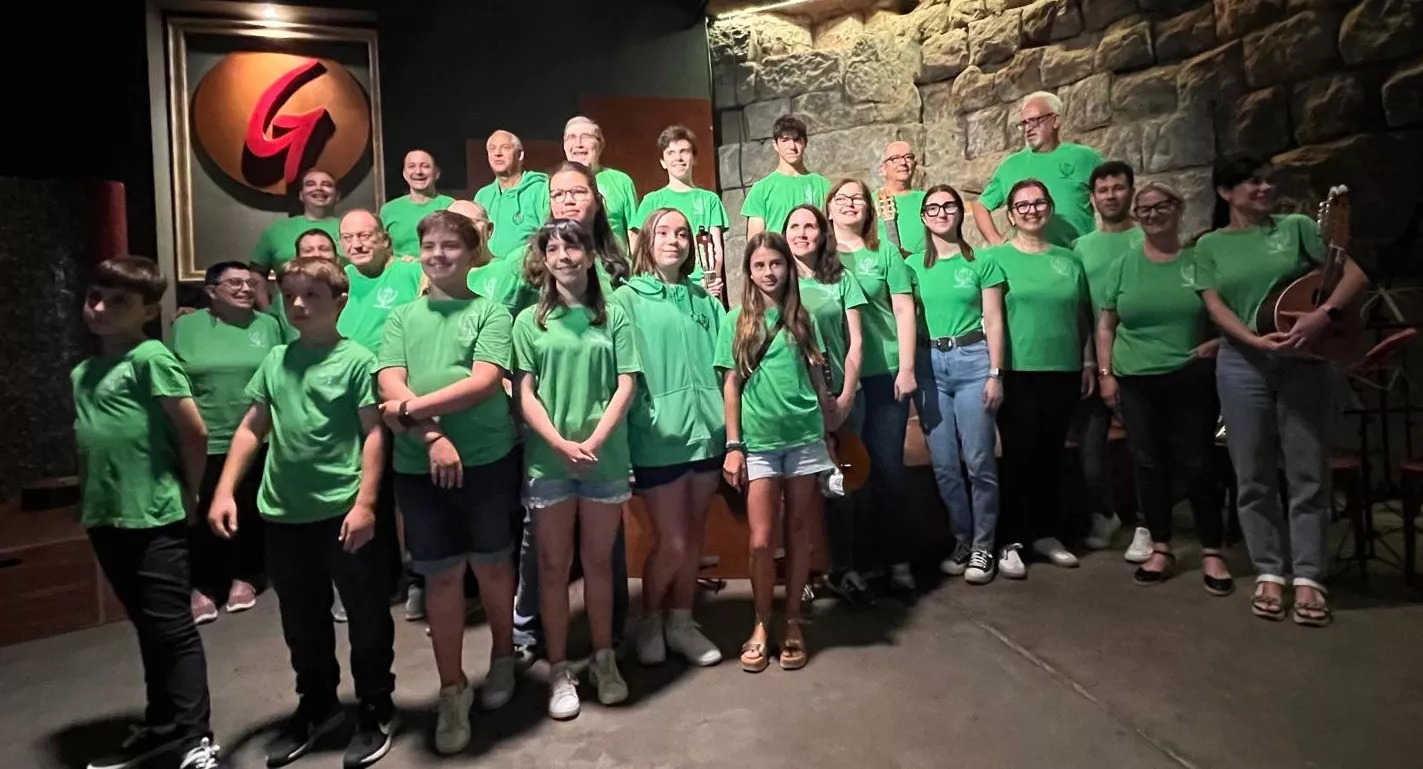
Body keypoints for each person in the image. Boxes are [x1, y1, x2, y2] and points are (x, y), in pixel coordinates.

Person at [208, 257, 398, 767]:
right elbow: (252, 427)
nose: (298, 304)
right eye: (291, 294)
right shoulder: (276, 361)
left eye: (312, 295)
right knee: (301, 619)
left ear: (339, 301)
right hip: (284, 511)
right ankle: (317, 705)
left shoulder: (358, 360)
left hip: (342, 510)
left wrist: (366, 504)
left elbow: (374, 433)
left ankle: (375, 705)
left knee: (365, 615)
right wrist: (225, 490)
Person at [1194, 153, 1368, 627]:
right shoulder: (1208, 245)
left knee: (1308, 469)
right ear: (1226, 192)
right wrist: (1249, 338)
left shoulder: (1295, 227)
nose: (1264, 189)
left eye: (1268, 181)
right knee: (1252, 473)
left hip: (1303, 361)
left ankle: (1310, 576)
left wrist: (1323, 315)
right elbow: (1214, 305)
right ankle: (1270, 569)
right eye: (1252, 182)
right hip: (1241, 364)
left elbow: (1351, 274)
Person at [73, 257, 227, 769]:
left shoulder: (151, 357)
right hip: (107, 514)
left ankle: (195, 737)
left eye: (118, 301)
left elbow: (193, 431)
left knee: (173, 626)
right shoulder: (83, 372)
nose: (100, 308)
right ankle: (162, 722)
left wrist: (190, 491)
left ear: (147, 311)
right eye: (95, 296)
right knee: (146, 623)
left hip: (155, 512)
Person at [375, 210, 519, 753]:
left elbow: (483, 382)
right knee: (439, 578)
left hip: (486, 459)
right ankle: (452, 689)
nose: (438, 255)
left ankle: (503, 659)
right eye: (429, 246)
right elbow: (390, 377)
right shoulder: (402, 318)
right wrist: (432, 436)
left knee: (492, 565)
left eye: (449, 246)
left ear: (472, 251)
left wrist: (409, 409)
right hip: (419, 464)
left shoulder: (490, 312)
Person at [513, 219, 641, 719]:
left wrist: (592, 440)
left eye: (573, 247)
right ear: (544, 259)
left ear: (589, 255)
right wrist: (559, 442)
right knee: (551, 567)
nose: (564, 256)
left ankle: (605, 659)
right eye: (554, 249)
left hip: (603, 457)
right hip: (549, 462)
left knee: (599, 565)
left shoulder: (613, 316)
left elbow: (627, 383)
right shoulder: (530, 322)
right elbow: (523, 392)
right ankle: (560, 669)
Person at [1096, 182, 1227, 591]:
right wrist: (1105, 374)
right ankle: (1161, 546)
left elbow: (1229, 311)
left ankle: (1212, 552)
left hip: (1189, 373)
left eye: (1161, 206)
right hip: (1135, 377)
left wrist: (1220, 342)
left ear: (1178, 208)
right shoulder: (1123, 265)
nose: (1153, 215)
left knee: (1198, 462)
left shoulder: (1199, 259)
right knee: (1147, 463)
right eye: (1145, 210)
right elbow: (1105, 324)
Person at [717, 232, 835, 672]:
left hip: (803, 437)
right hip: (759, 441)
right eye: (760, 265)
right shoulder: (737, 321)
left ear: (788, 267)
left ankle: (791, 621)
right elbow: (731, 383)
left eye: (776, 264)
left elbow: (818, 378)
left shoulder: (804, 318)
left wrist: (827, 429)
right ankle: (761, 620)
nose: (769, 273)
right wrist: (734, 445)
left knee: (800, 535)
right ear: (749, 271)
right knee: (762, 540)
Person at [614, 208, 726, 668]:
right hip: (658, 436)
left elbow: (725, 366)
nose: (674, 241)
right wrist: (645, 416)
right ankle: (649, 619)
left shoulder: (705, 300)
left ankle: (681, 622)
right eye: (664, 232)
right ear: (646, 240)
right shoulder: (626, 299)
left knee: (695, 537)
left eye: (682, 234)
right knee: (673, 540)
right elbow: (622, 367)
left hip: (709, 435)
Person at [984, 179, 1094, 578]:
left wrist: (1086, 363)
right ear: (1010, 214)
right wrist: (994, 373)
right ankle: (1011, 539)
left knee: (1052, 454)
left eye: (1038, 202)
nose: (1031, 210)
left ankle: (1046, 534)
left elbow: (1082, 317)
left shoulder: (1070, 260)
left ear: (1049, 208)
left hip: (1062, 369)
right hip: (1018, 370)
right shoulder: (996, 258)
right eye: (1022, 205)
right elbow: (991, 319)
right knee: (1018, 456)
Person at [172, 262, 283, 624]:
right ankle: (203, 585)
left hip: (257, 433)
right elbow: (171, 377)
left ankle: (246, 576)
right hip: (204, 435)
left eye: (250, 282)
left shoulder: (268, 325)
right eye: (234, 283)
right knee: (201, 510)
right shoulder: (185, 326)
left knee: (249, 509)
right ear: (210, 291)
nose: (245, 289)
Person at [907, 185, 1006, 585]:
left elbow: (995, 320)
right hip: (929, 363)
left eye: (948, 205)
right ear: (924, 216)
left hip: (972, 359)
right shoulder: (911, 265)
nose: (941, 212)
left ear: (960, 213)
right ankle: (963, 538)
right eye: (933, 207)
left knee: (979, 460)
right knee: (945, 464)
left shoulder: (982, 261)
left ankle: (985, 545)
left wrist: (996, 373)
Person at [825, 178, 918, 591]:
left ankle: (898, 559)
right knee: (850, 473)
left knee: (888, 468)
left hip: (884, 373)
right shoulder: (818, 256)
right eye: (841, 199)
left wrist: (908, 367)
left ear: (869, 210)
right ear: (828, 209)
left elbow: (903, 308)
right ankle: (859, 563)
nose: (850, 205)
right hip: (842, 380)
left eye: (857, 200)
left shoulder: (885, 254)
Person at [784, 204, 871, 605]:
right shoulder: (777, 278)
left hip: (841, 395)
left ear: (823, 233)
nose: (802, 233)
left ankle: (843, 568)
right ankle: (802, 571)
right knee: (799, 490)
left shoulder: (842, 279)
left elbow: (855, 341)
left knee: (843, 486)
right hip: (795, 399)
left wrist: (847, 394)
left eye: (810, 226)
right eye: (794, 226)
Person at [1071, 161, 1143, 558]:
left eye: (1118, 187)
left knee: (1145, 445)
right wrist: (1088, 364)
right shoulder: (1083, 247)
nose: (1111, 195)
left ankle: (1149, 523)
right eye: (1103, 190)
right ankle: (1104, 512)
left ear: (1130, 191)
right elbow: (1082, 310)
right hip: (1098, 360)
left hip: (1140, 358)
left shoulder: (1145, 237)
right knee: (1091, 451)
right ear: (1093, 198)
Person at [971, 92, 1104, 248]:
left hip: (1079, 256)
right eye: (1025, 123)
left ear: (1056, 120)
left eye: (1035, 120)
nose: (1028, 128)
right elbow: (981, 206)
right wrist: (998, 243)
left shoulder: (1085, 158)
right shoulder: (1010, 166)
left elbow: (1115, 192)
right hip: (1030, 262)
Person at [629, 125, 729, 295]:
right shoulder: (652, 200)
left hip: (701, 284)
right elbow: (638, 244)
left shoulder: (709, 199)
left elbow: (716, 247)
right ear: (663, 162)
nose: (678, 158)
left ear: (694, 158)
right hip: (663, 284)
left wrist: (712, 279)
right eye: (671, 152)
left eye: (684, 151)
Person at [336, 210, 426, 356]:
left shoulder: (416, 273)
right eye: (347, 238)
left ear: (385, 240)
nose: (356, 244)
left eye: (364, 236)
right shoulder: (340, 278)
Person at [251, 169, 343, 308]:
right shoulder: (277, 231)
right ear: (301, 195)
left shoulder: (352, 227)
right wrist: (268, 313)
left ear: (337, 196)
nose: (318, 188)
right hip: (290, 315)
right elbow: (256, 275)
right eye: (310, 184)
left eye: (327, 184)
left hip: (343, 312)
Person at [743, 115, 830, 237]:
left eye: (797, 140)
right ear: (775, 145)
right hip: (777, 254)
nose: (792, 147)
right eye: (785, 140)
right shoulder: (760, 189)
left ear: (805, 143)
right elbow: (755, 241)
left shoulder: (822, 185)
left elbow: (830, 231)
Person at [564, 116, 639, 251]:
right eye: (571, 137)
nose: (578, 143)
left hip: (615, 269)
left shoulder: (621, 181)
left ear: (600, 145)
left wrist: (637, 271)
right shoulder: (553, 185)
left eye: (586, 136)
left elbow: (634, 235)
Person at [474, 130, 551, 259]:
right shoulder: (482, 196)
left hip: (528, 272)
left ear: (519, 155)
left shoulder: (541, 188)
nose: (497, 153)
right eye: (492, 149)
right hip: (489, 274)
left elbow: (549, 236)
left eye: (505, 148)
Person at [269, 229, 342, 343]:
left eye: (324, 249)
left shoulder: (354, 292)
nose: (317, 254)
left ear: (336, 257)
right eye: (308, 250)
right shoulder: (284, 299)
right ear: (297, 259)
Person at [379, 149, 455, 258]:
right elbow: (381, 249)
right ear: (404, 174)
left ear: (436, 173)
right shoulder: (389, 209)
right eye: (411, 166)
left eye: (425, 166)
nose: (418, 172)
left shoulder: (450, 206)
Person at [875, 141, 926, 256]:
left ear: (915, 164)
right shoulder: (869, 202)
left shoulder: (928, 200)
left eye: (908, 158)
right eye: (895, 159)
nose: (903, 162)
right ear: (883, 169)